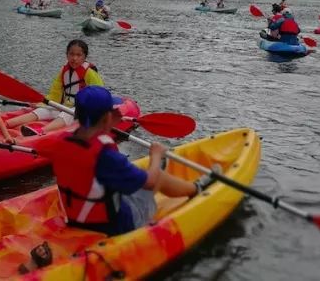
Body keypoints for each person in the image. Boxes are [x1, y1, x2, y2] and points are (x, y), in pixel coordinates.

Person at [39, 86, 219, 238]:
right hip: (115, 226)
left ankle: (155, 170)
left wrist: (107, 124)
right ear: (107, 118)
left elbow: (85, 153)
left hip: (75, 219)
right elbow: (150, 183)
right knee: (157, 176)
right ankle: (197, 189)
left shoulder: (61, 142)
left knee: (123, 175)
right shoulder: (105, 155)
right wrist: (156, 156)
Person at [7, 40, 104, 136]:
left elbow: (99, 95)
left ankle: (41, 131)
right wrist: (41, 104)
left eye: (79, 55)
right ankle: (6, 124)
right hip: (64, 106)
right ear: (67, 55)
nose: (74, 58)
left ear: (85, 57)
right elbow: (55, 94)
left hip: (81, 111)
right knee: (43, 110)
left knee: (66, 115)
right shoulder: (63, 71)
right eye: (71, 54)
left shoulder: (90, 73)